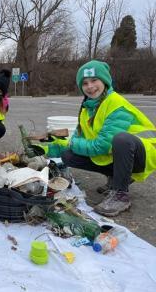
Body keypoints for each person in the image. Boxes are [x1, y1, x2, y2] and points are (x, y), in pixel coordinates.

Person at [41, 60, 156, 217]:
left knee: (120, 139)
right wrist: (46, 151)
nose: (90, 86)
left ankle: (120, 194)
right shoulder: (87, 107)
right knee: (68, 155)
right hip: (116, 155)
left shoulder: (116, 103)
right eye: (85, 83)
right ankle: (116, 177)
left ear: (105, 81)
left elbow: (100, 146)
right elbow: (76, 139)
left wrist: (72, 143)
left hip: (140, 156)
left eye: (94, 80)